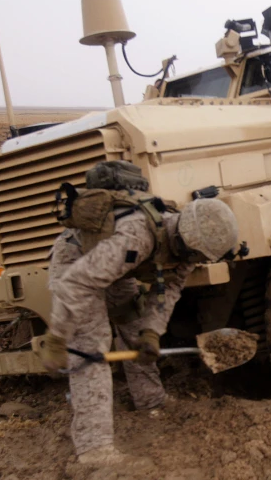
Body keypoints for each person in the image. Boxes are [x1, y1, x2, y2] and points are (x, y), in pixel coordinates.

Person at [40, 162, 239, 464]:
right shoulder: (138, 237)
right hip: (77, 262)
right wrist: (57, 337)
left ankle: (150, 400)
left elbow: (167, 291)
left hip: (119, 268)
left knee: (134, 327)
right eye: (195, 256)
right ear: (185, 241)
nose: (195, 262)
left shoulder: (185, 250)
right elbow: (76, 282)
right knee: (91, 347)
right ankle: (94, 447)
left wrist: (151, 332)